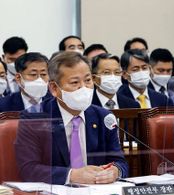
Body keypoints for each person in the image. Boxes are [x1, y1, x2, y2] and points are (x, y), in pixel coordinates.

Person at [15, 51, 128, 184]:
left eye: (88, 80)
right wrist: (72, 175)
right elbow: (29, 169)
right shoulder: (34, 118)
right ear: (54, 88)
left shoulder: (103, 117)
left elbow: (120, 162)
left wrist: (115, 171)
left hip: (98, 194)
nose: (84, 88)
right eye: (75, 82)